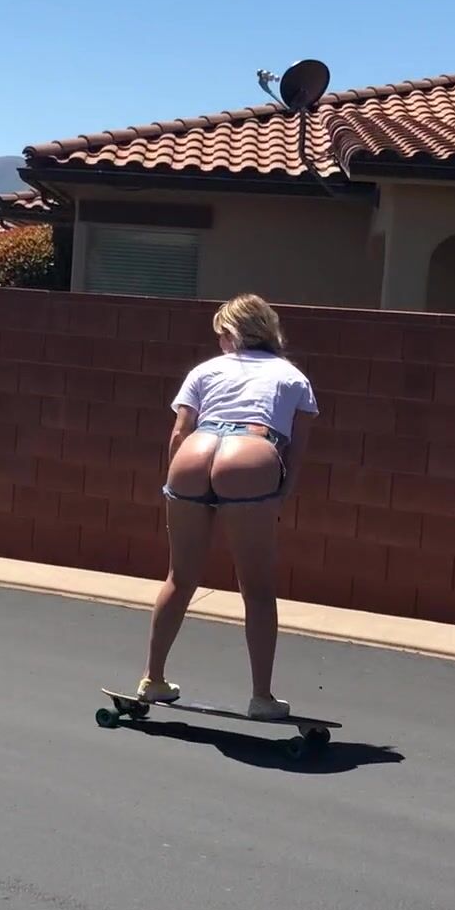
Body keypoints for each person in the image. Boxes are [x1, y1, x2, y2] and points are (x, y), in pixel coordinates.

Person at [137, 293, 317, 718]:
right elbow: (296, 449)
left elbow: (179, 434)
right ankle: (261, 697)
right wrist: (281, 491)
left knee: (180, 577)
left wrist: (176, 483)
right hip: (250, 451)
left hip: (196, 451)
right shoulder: (292, 377)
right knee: (257, 588)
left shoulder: (204, 370)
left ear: (232, 334)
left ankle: (153, 679)